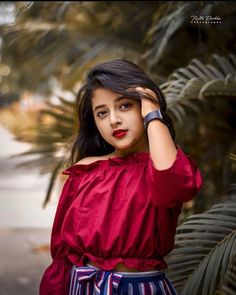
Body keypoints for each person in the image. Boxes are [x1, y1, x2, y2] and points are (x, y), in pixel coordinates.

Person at [39, 59, 203, 295]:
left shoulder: (163, 165)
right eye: (102, 113)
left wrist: (152, 114)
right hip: (82, 286)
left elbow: (174, 187)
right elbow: (63, 254)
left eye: (125, 105)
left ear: (143, 106)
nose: (113, 119)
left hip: (143, 288)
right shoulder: (85, 171)